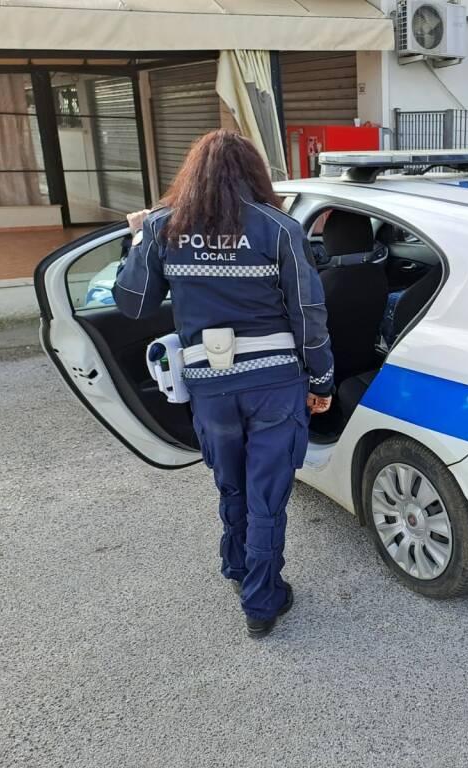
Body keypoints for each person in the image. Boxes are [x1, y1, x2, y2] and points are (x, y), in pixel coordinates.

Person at [111, 130, 333, 638]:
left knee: (230, 483)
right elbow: (308, 311)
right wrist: (320, 377)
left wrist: (138, 238)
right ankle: (261, 600)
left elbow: (132, 304)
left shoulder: (165, 228)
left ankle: (237, 567)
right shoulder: (278, 228)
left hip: (211, 387)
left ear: (191, 175)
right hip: (275, 384)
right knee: (267, 494)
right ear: (254, 172)